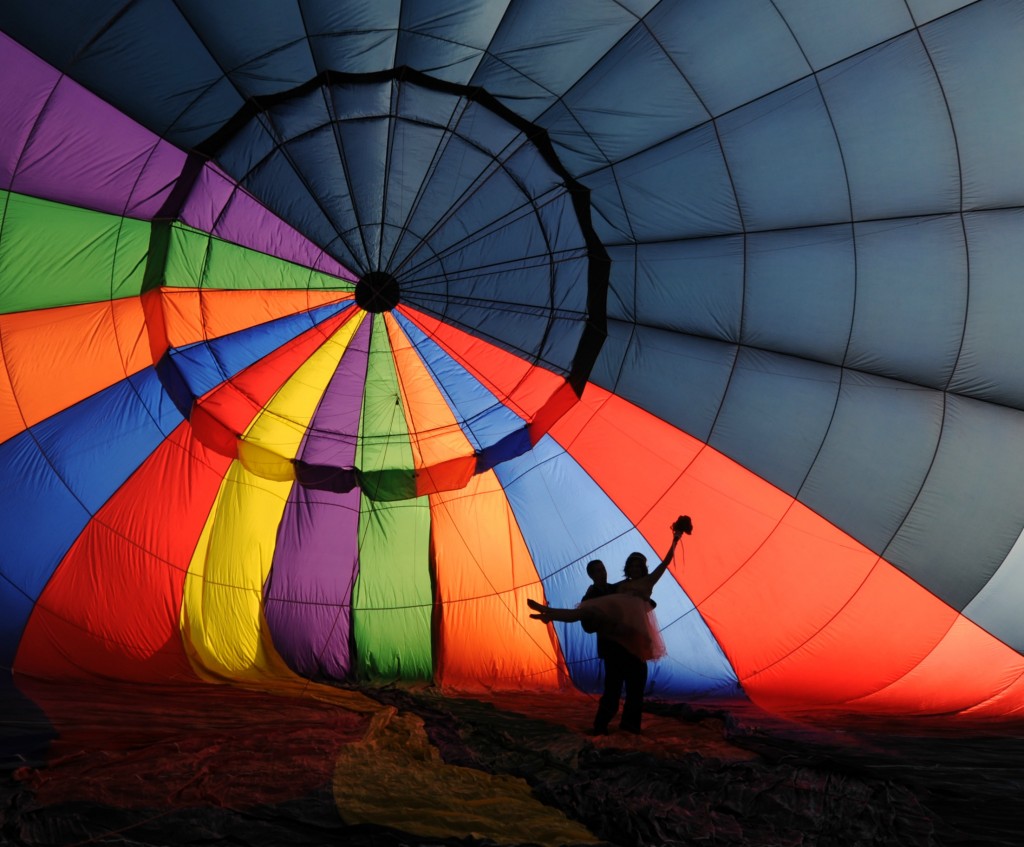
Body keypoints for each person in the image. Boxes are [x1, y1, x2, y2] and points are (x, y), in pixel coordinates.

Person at [529, 516, 692, 733]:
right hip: (616, 640)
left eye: (638, 566)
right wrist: (595, 586)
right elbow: (597, 599)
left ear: (642, 568)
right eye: (631, 566)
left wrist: (675, 539)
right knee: (585, 613)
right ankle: (549, 613)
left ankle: (630, 727)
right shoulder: (617, 587)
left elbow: (665, 563)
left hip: (634, 638)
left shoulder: (647, 582)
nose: (634, 569)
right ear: (627, 568)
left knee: (635, 688)